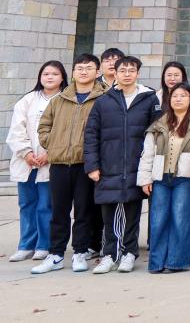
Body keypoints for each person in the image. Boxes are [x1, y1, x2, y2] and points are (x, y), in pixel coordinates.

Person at [83, 56, 159, 274]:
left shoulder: (149, 99)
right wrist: (92, 166)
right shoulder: (104, 101)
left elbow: (157, 134)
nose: (127, 74)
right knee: (110, 214)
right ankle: (110, 255)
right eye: (122, 70)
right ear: (114, 74)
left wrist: (151, 168)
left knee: (132, 213)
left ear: (138, 74)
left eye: (131, 70)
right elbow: (91, 135)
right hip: (109, 167)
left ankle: (128, 254)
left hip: (136, 166)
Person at [31, 54, 106, 274]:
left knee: (84, 211)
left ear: (97, 72)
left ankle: (80, 252)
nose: (83, 72)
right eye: (79, 68)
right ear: (73, 72)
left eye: (88, 68)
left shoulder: (104, 99)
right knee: (59, 211)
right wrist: (53, 144)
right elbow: (44, 126)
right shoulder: (60, 98)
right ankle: (55, 254)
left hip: (86, 164)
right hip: (60, 163)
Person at [138, 82, 190, 273]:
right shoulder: (159, 123)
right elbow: (147, 153)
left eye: (183, 95)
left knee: (181, 220)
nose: (178, 99)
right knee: (158, 220)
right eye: (175, 96)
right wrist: (145, 179)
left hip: (185, 178)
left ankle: (177, 261)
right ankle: (157, 263)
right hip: (160, 177)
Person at [6, 61, 65, 263]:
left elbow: (66, 131)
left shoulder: (66, 100)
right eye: (46, 73)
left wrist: (50, 154)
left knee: (46, 205)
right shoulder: (27, 100)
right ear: (40, 77)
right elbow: (16, 129)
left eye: (54, 74)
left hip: (51, 162)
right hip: (27, 162)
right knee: (27, 204)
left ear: (62, 78)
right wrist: (26, 153)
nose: (49, 77)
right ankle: (26, 245)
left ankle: (43, 245)